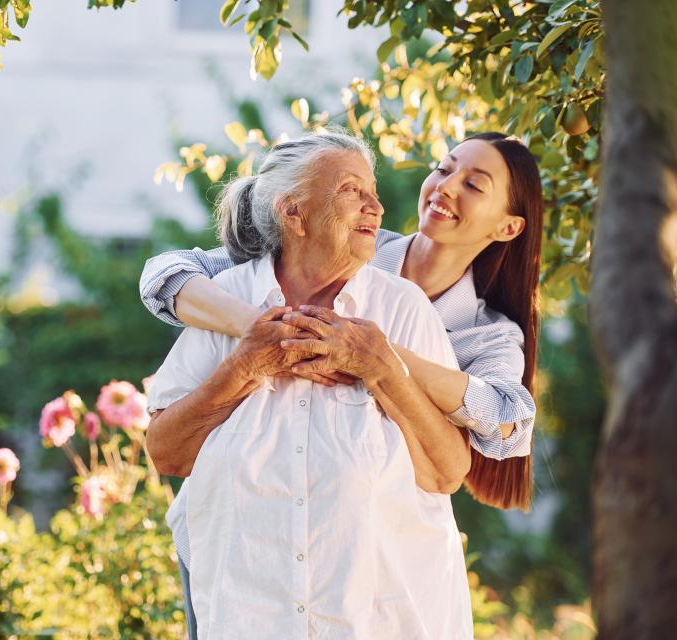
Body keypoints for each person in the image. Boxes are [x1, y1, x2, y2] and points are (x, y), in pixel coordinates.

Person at [140, 130, 543, 638]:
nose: (445, 186)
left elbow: (506, 420)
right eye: (443, 168)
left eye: (474, 184)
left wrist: (379, 359)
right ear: (294, 215)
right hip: (242, 580)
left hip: (375, 587)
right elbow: (168, 273)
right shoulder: (311, 255)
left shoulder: (477, 331)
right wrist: (260, 333)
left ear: (508, 226)